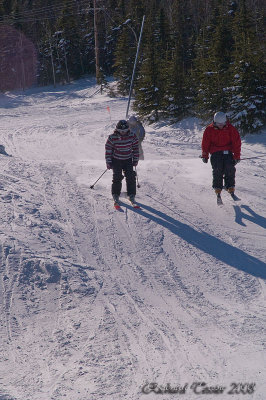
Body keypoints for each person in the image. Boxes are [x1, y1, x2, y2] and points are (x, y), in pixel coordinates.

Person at [201, 111, 241, 196]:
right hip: (215, 152)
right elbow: (205, 143)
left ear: (225, 121)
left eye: (222, 123)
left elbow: (236, 142)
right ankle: (218, 187)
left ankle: (230, 186)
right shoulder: (209, 129)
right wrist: (205, 155)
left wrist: (237, 156)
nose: (221, 125)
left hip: (228, 151)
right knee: (218, 169)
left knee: (229, 167)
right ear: (214, 122)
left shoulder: (230, 128)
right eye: (218, 124)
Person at [105, 120, 139, 203]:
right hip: (116, 159)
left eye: (125, 131)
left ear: (128, 129)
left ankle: (131, 194)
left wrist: (135, 159)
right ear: (117, 130)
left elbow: (135, 148)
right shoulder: (112, 137)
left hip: (128, 159)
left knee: (130, 176)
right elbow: (108, 150)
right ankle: (116, 194)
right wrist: (108, 162)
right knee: (117, 176)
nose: (123, 132)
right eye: (121, 131)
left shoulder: (132, 136)